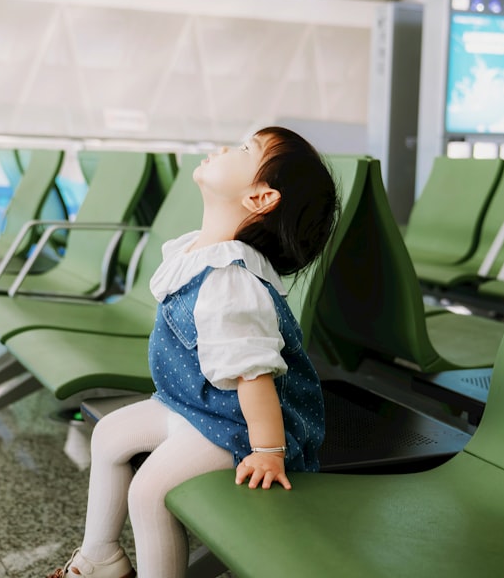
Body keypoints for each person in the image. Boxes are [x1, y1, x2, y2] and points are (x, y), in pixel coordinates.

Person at [49, 126, 339, 578]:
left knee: (150, 491)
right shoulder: (198, 253)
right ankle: (100, 556)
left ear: (261, 198)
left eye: (246, 150)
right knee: (108, 435)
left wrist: (268, 450)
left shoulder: (231, 282)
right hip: (192, 403)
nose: (225, 148)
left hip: (237, 424)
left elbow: (254, 379)